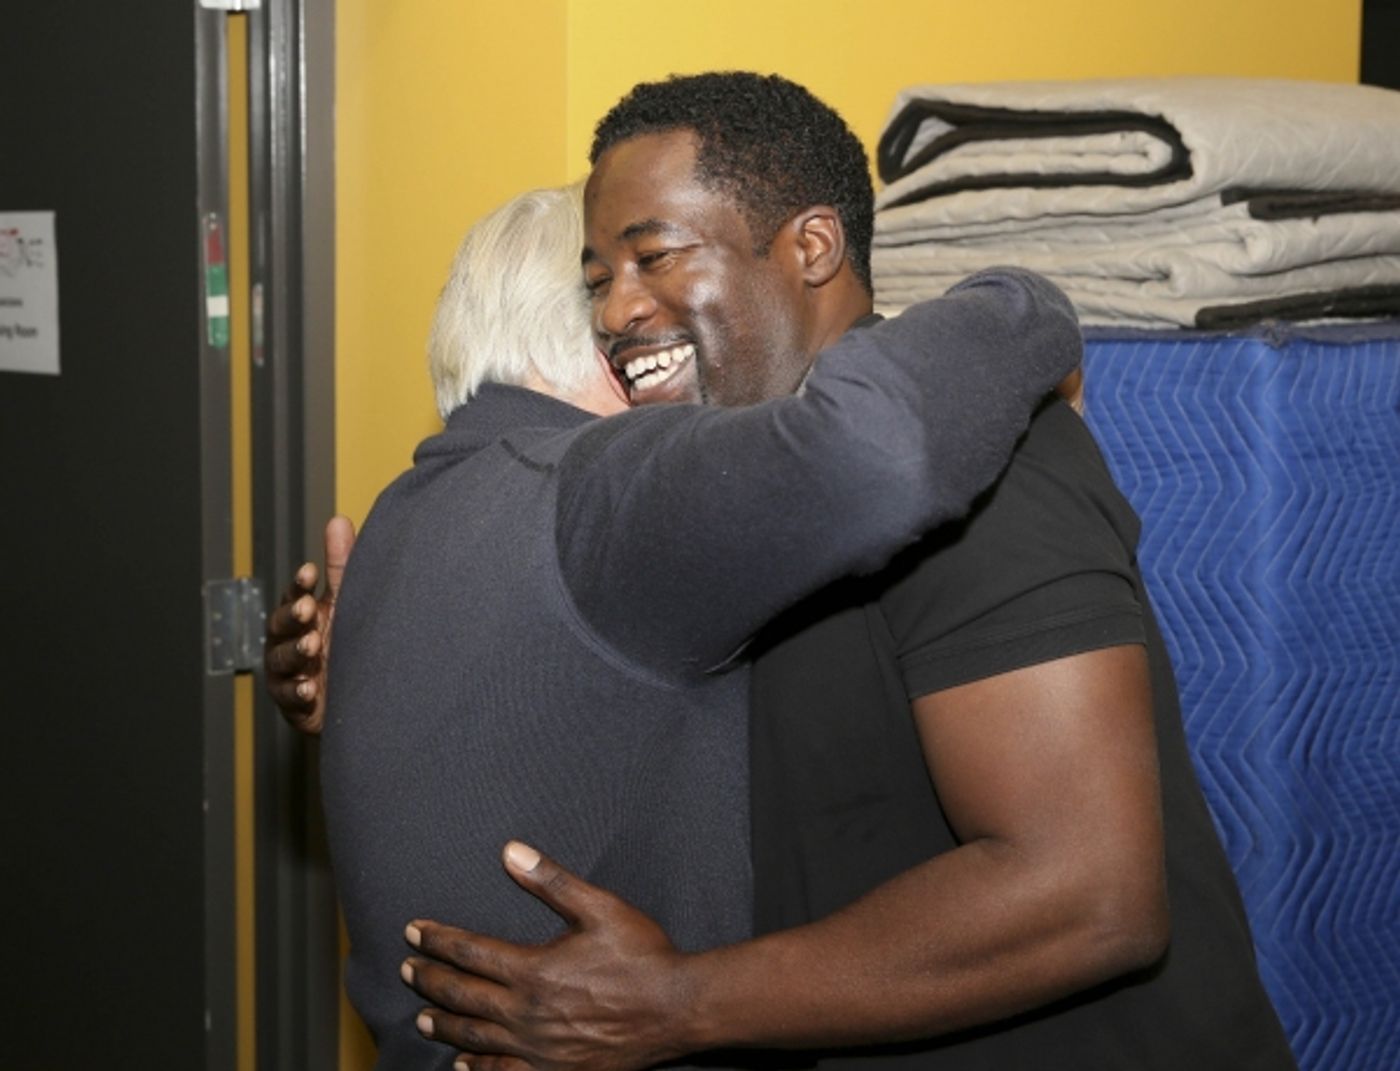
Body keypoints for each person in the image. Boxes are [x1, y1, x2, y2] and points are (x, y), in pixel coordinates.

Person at [379, 73, 1297, 1071]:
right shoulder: (733, 494)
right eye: (598, 279)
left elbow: (1085, 894)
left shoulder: (982, 459)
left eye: (653, 257)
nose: (618, 310)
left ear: (809, 247)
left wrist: (676, 1005)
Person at [298, 162, 1079, 1071]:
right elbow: (877, 449)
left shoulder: (401, 513)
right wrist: (1030, 302)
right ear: (607, 336)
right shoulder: (604, 490)